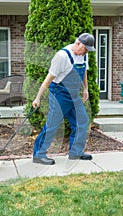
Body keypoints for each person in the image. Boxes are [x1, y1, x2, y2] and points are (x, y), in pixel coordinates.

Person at [32, 33, 96, 165]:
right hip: (59, 94)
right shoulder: (62, 57)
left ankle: (76, 152)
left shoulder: (84, 55)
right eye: (85, 50)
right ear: (78, 43)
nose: (85, 53)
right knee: (52, 125)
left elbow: (84, 71)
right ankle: (39, 154)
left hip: (74, 95)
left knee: (82, 121)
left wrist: (85, 89)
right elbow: (48, 80)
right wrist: (37, 98)